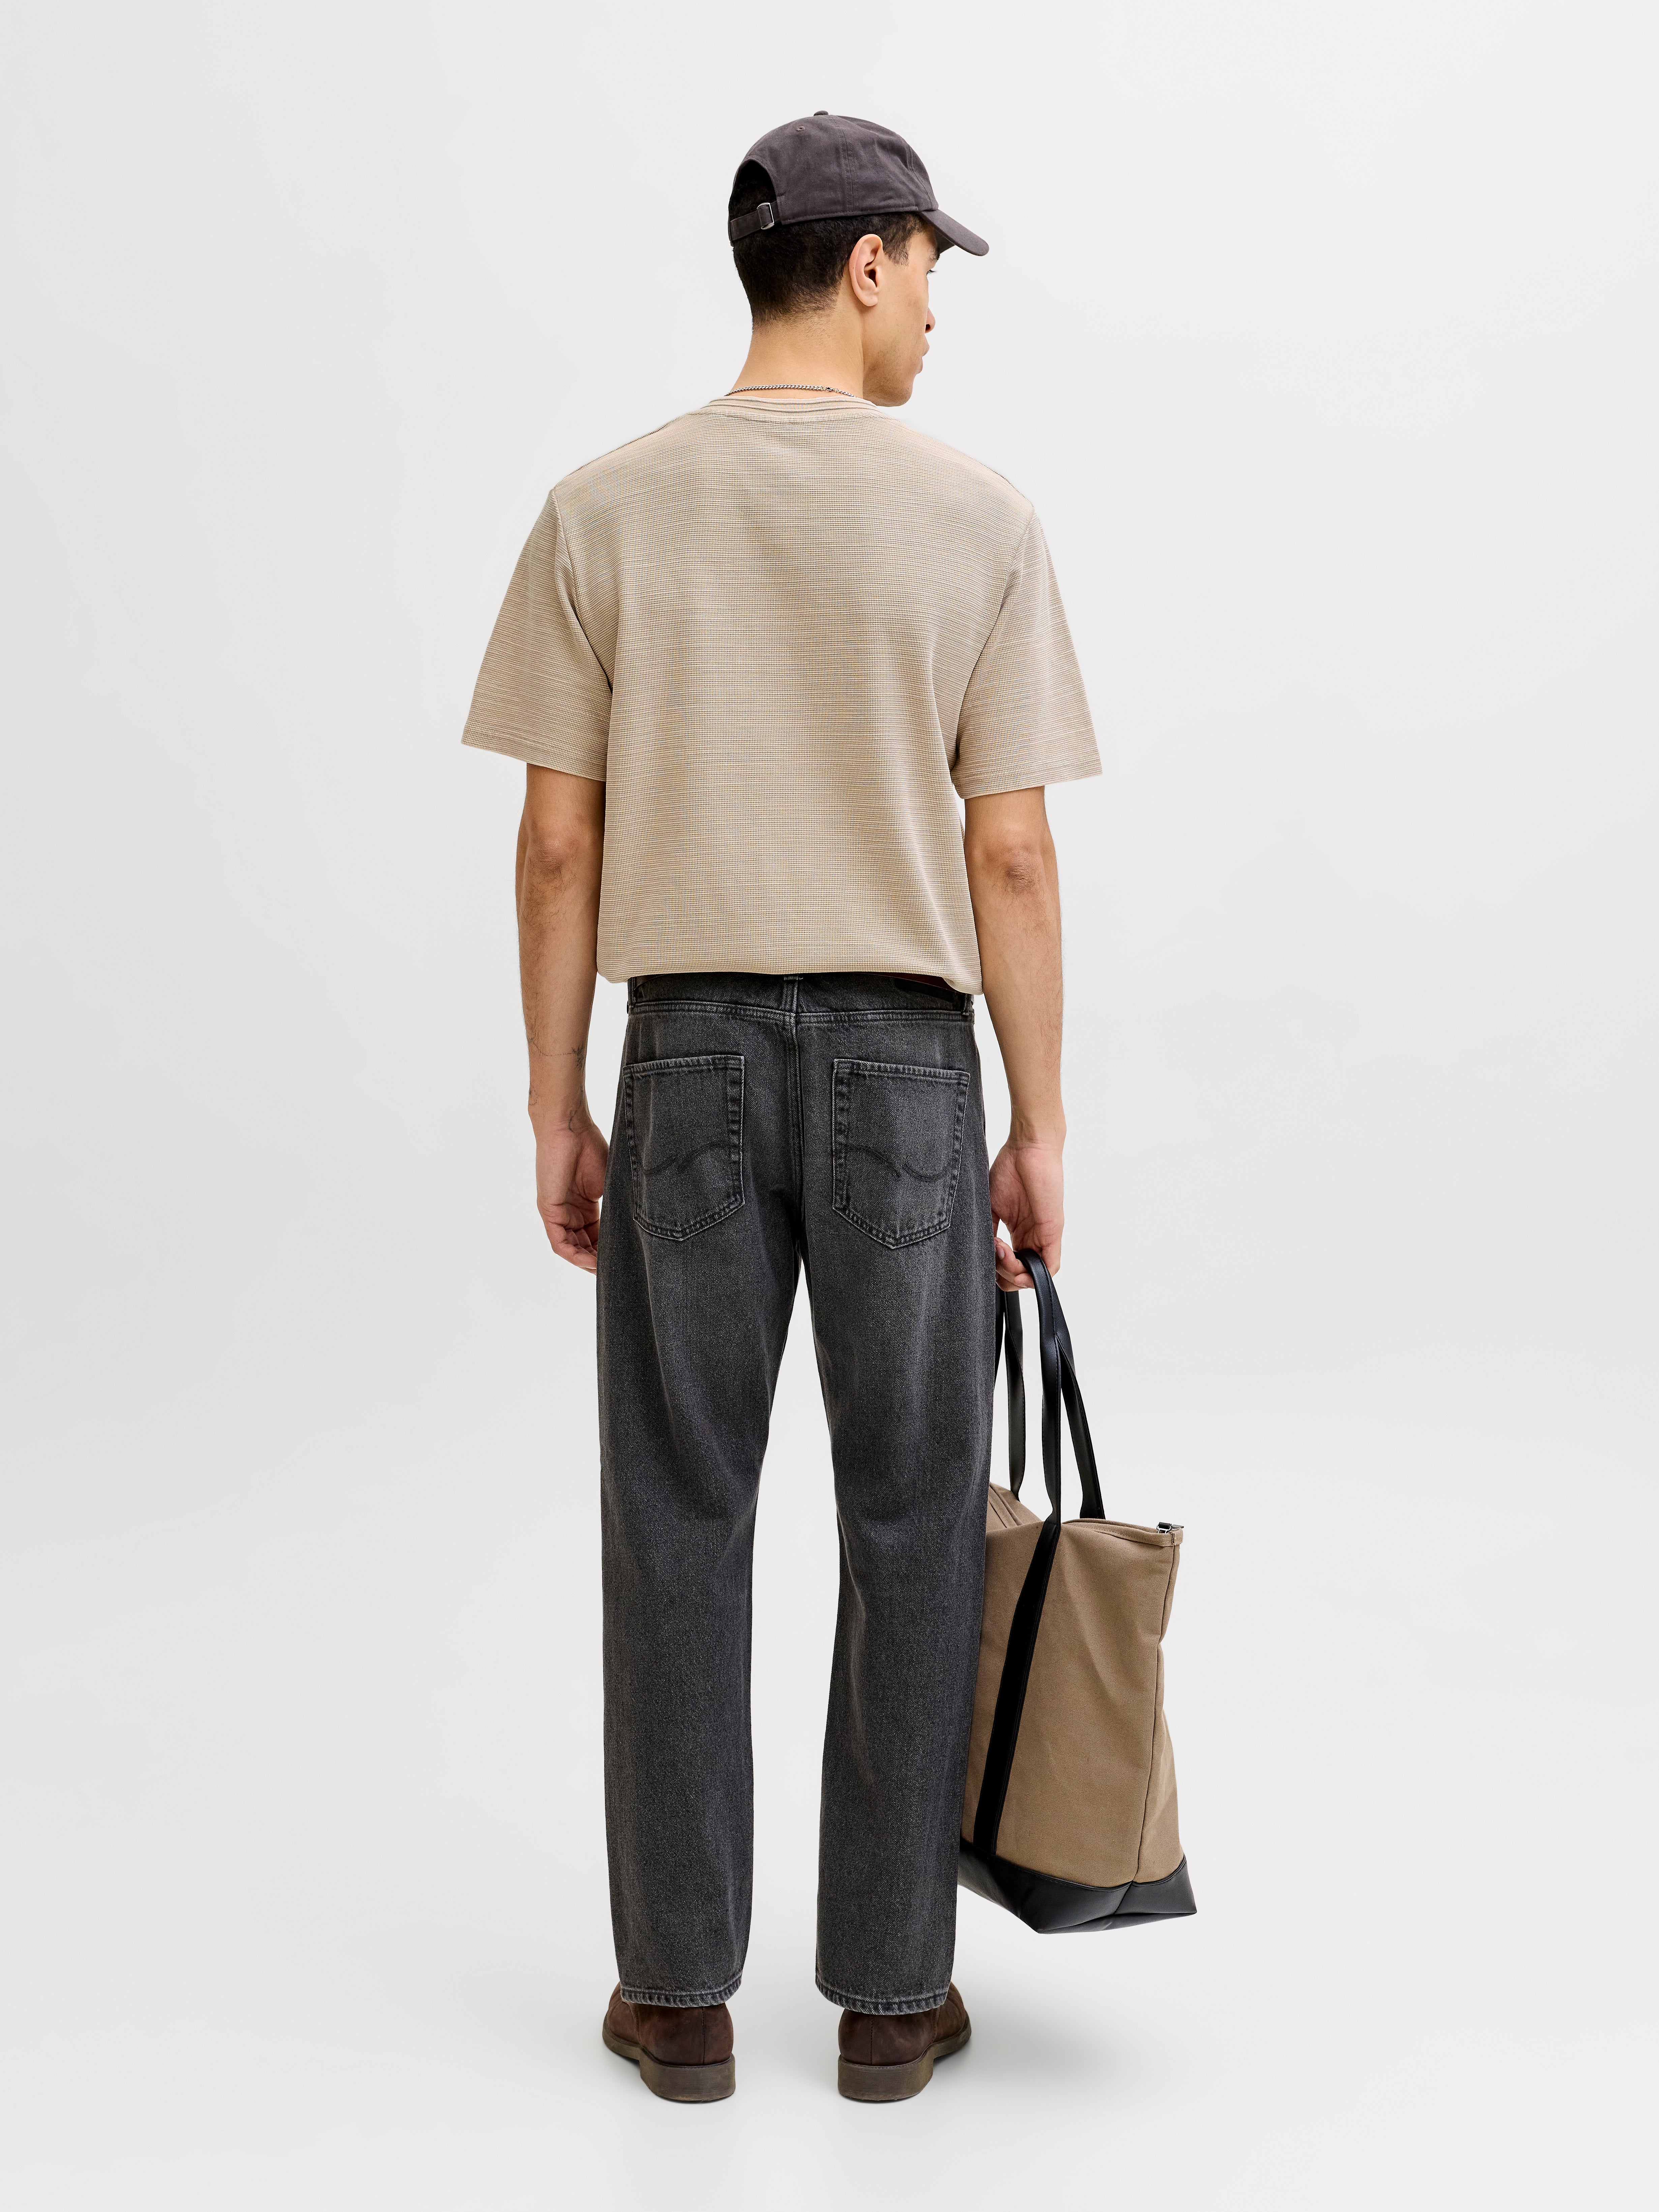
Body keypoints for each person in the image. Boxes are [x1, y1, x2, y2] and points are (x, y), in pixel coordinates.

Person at [462, 111, 1099, 2103]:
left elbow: (554, 844)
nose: (939, 319)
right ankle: (894, 2000)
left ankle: (678, 1998)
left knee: (677, 1511)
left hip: (687, 1055)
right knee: (912, 1514)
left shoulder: (601, 509)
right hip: (911, 1066)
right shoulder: (980, 518)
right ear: (872, 262)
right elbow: (1011, 854)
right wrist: (1039, 1124)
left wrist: (558, 1099)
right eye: (934, 274)